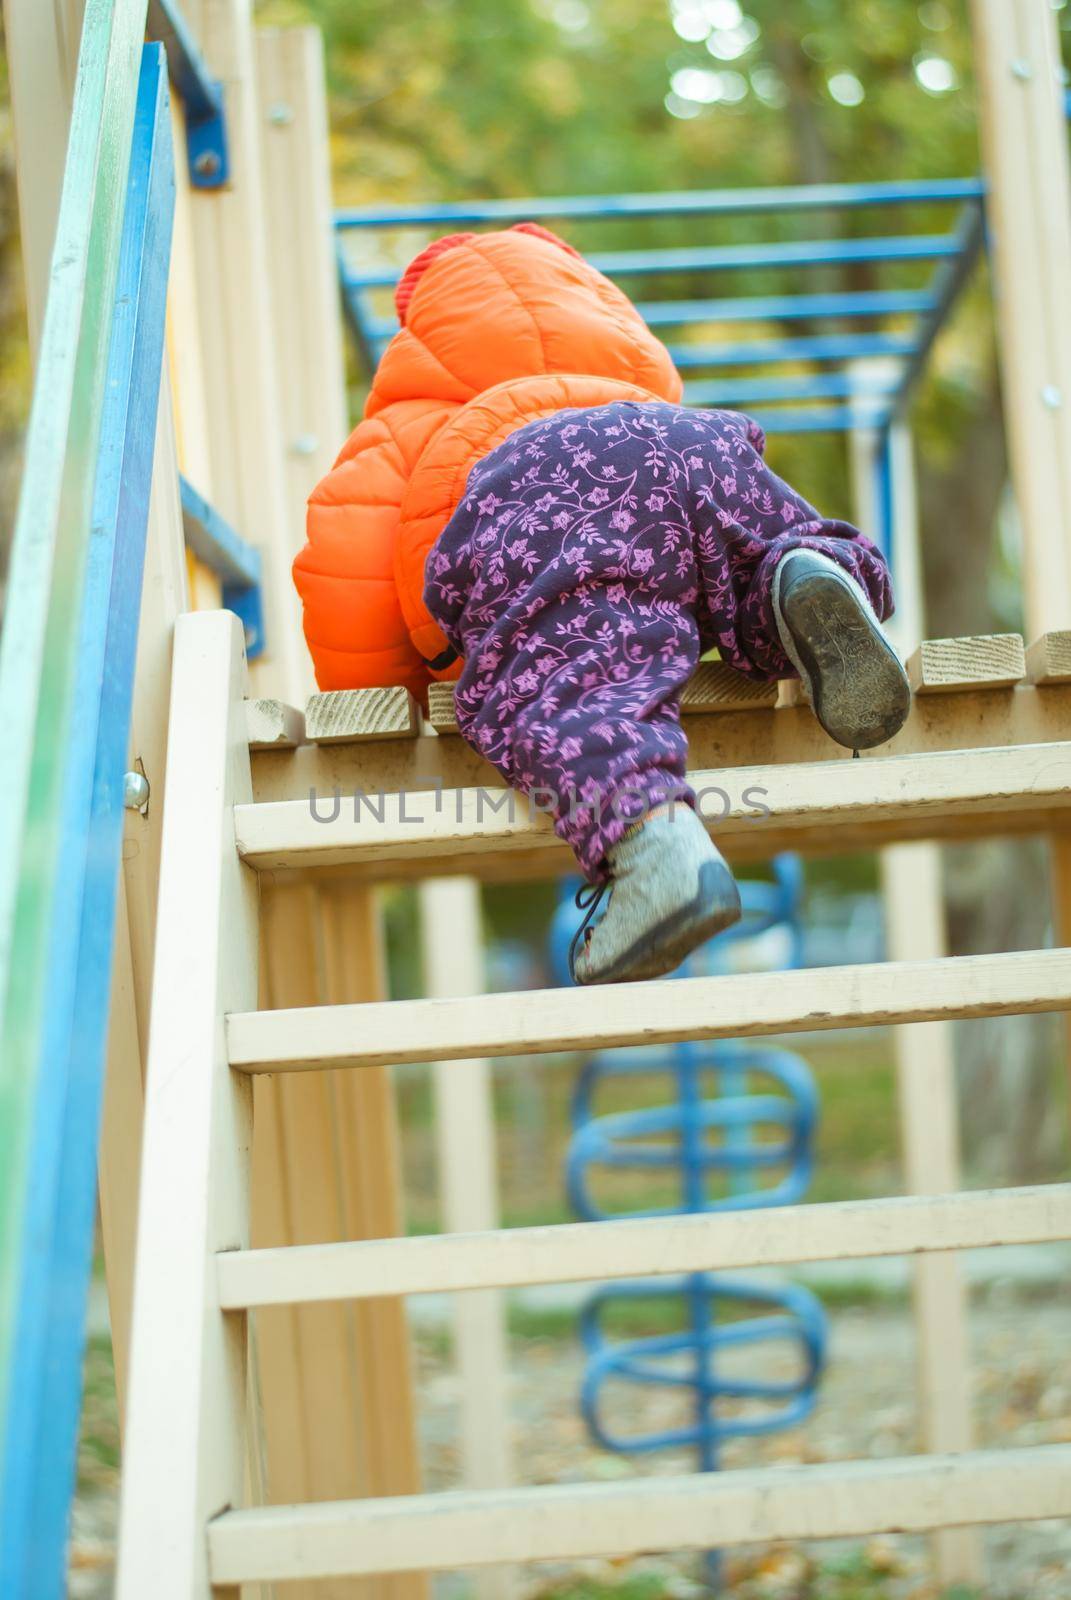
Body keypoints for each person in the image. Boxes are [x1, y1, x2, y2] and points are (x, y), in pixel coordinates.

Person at [294, 225, 909, 986]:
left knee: (574, 679)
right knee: (741, 566)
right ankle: (803, 581)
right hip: (688, 448)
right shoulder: (630, 371)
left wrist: (374, 705)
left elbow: (346, 564)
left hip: (541, 485)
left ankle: (658, 856)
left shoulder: (405, 424)